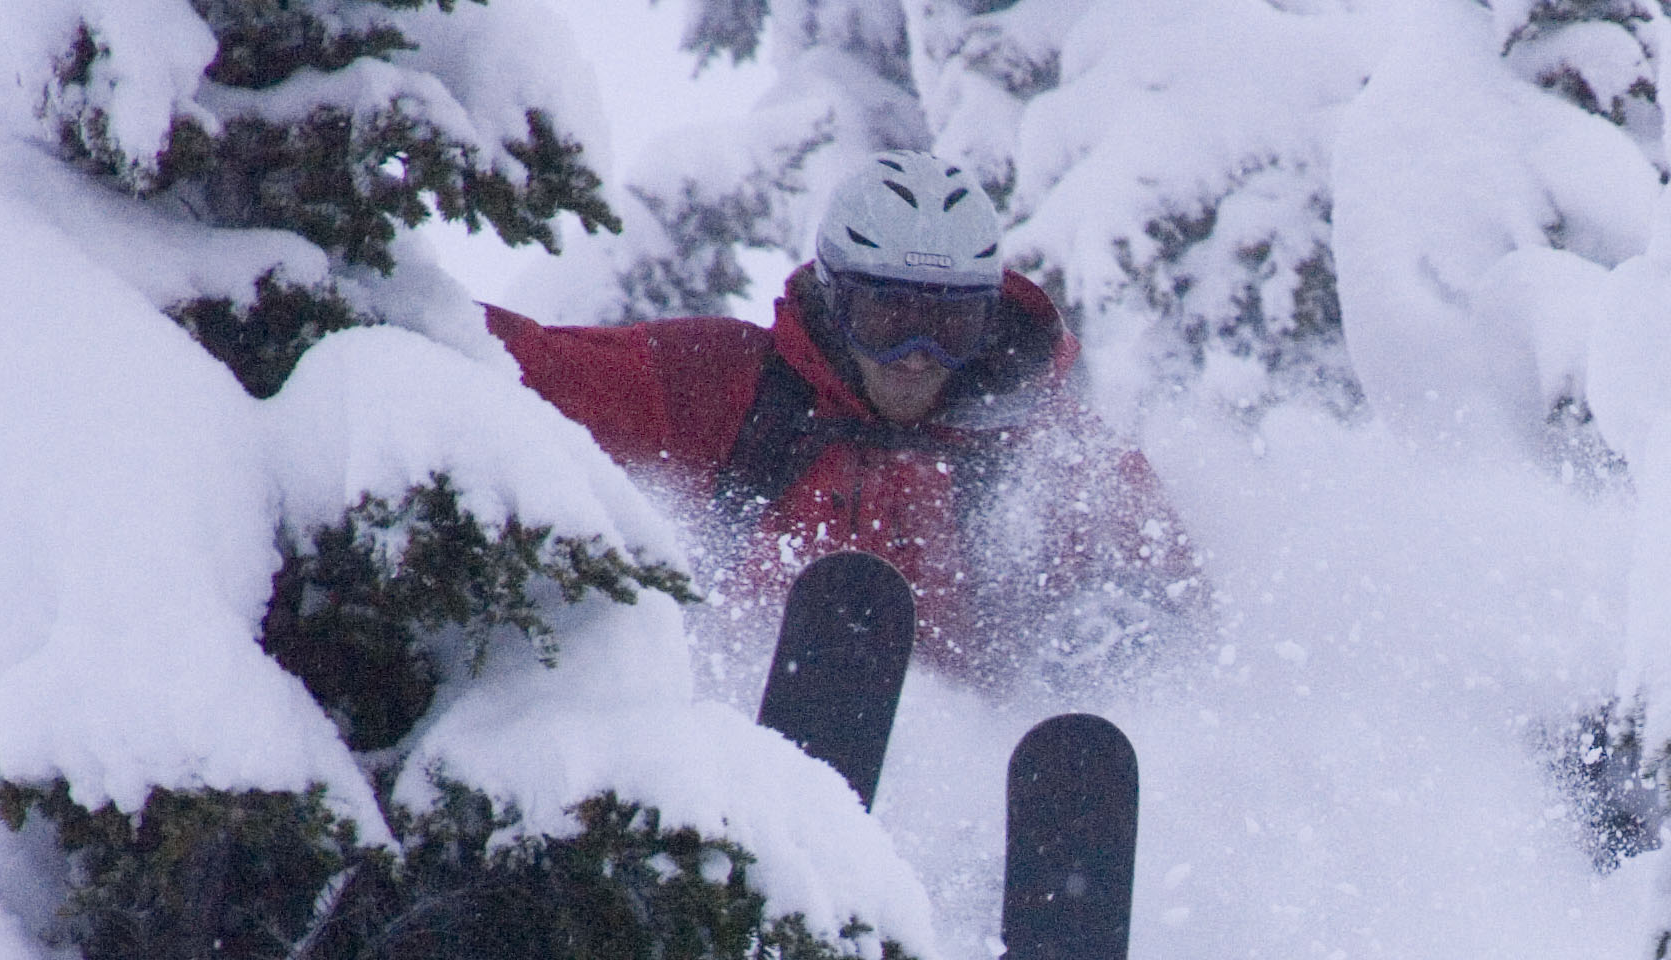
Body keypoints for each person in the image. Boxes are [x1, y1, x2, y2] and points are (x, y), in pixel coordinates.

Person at [485, 151, 1204, 690]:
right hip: (747, 721)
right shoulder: (731, 385)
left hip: (960, 771)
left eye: (950, 327)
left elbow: (1168, 578)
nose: (918, 357)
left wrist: (1119, 632)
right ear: (836, 301)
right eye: (887, 318)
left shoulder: (1036, 444)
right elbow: (532, 366)